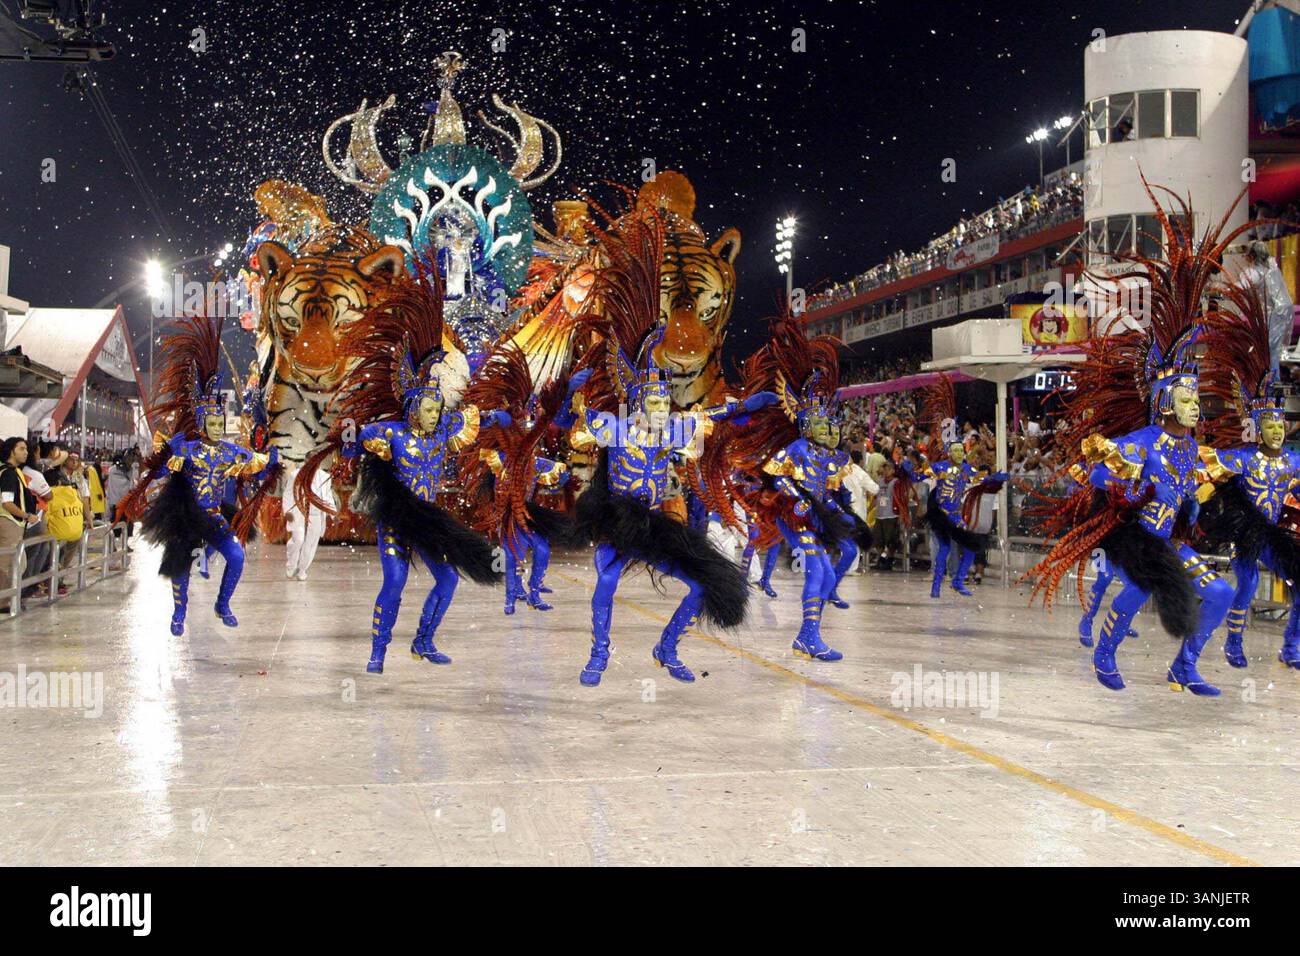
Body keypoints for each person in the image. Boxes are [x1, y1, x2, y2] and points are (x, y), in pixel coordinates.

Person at [295, 263, 503, 674]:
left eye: (437, 408)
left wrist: (504, 419)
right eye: (428, 408)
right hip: (395, 521)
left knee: (448, 580)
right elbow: (351, 434)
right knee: (394, 582)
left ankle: (423, 642)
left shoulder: (445, 430)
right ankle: (378, 650)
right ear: (411, 408)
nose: (435, 413)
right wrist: (348, 449)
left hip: (427, 522)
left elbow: (481, 420)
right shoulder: (388, 433)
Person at [120, 317, 279, 637]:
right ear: (203, 423)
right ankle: (179, 613)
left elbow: (255, 465)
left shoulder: (229, 452)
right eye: (213, 423)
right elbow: (162, 471)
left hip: (214, 516)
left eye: (222, 423)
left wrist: (273, 457)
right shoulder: (189, 450)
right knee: (181, 569)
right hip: (186, 517)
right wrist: (168, 455)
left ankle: (223, 604)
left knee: (236, 556)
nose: (219, 428)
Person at [0, 437, 41, 612]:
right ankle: (3, 603)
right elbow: (7, 503)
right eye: (22, 448)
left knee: (18, 562)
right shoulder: (9, 473)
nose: (26, 452)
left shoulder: (10, 471)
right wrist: (26, 516)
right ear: (11, 451)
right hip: (9, 522)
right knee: (8, 564)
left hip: (12, 522)